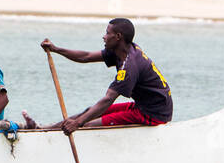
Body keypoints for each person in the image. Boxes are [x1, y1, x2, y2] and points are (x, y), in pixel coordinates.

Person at [24, 18, 172, 133]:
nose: (104, 36)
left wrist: (78, 123)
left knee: (87, 123)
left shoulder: (130, 67)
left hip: (154, 114)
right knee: (89, 112)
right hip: (143, 106)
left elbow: (108, 99)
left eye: (108, 33)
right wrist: (56, 49)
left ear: (118, 37)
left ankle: (53, 131)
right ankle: (42, 129)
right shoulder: (120, 51)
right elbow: (86, 56)